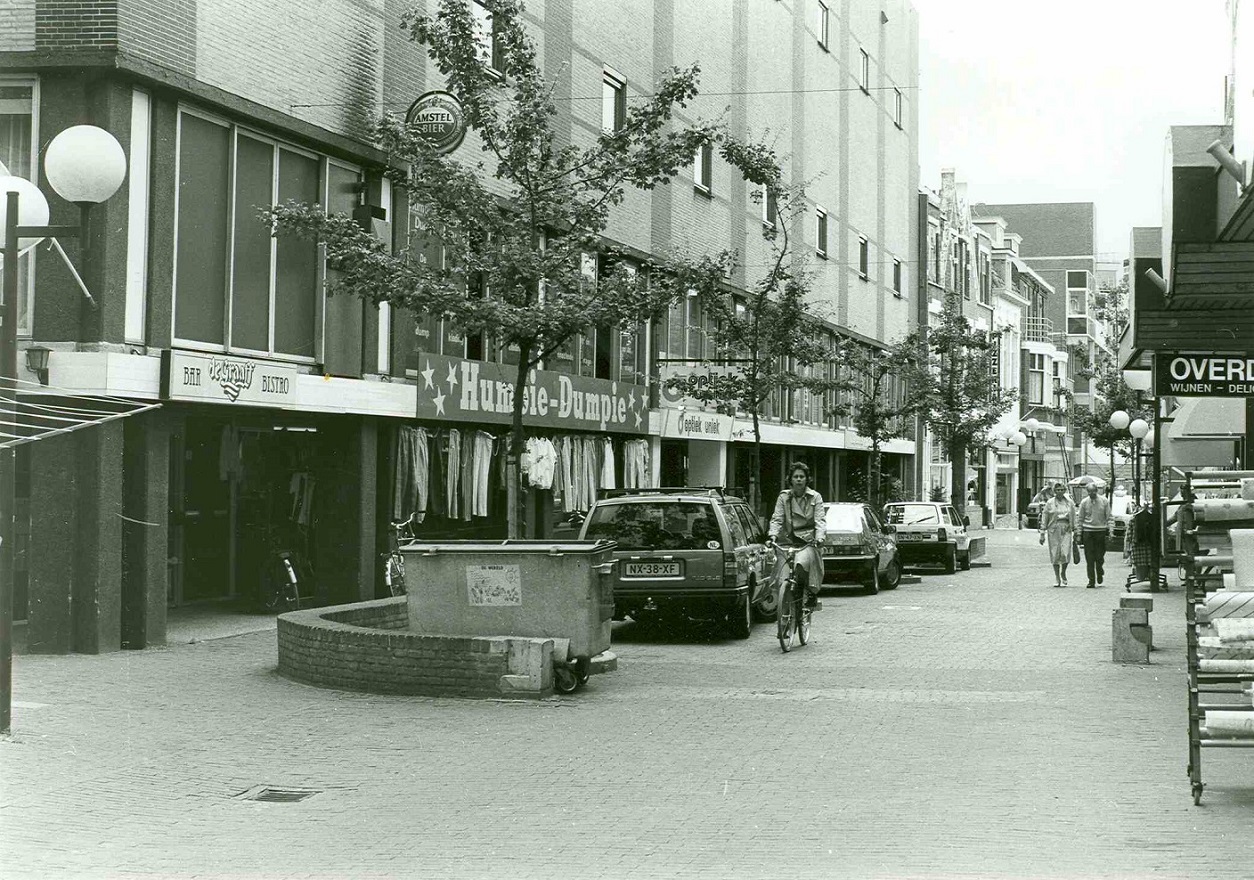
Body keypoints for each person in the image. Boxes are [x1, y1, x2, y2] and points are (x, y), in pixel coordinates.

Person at [768, 462, 826, 610]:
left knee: (801, 564)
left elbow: (820, 520)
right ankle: (784, 603)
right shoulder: (784, 497)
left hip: (808, 541)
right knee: (781, 574)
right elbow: (777, 518)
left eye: (802, 476)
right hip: (787, 541)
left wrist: (820, 538)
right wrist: (773, 535)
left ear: (807, 479)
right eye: (796, 477)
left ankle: (809, 592)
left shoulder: (815, 497)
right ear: (790, 479)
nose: (799, 479)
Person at [1038, 481, 1077, 587]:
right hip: (1053, 529)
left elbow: (1074, 517)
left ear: (1064, 491)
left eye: (1062, 490)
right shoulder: (1050, 503)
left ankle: (1063, 573)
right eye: (1057, 490)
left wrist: (1076, 530)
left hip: (1066, 529)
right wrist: (1042, 532)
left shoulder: (1069, 502)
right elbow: (1045, 517)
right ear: (1054, 491)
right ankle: (1057, 577)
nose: (1060, 492)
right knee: (1055, 553)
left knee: (1065, 553)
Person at [1077, 481, 1114, 588]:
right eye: (1089, 491)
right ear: (1087, 492)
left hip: (1100, 531)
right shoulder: (1084, 502)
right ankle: (1091, 580)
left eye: (1093, 491)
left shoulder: (1104, 501)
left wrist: (1111, 531)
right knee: (1089, 558)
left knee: (1099, 556)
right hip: (1088, 532)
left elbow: (1109, 517)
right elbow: (1080, 519)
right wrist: (1079, 534)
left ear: (1097, 491)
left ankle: (1099, 569)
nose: (1092, 493)